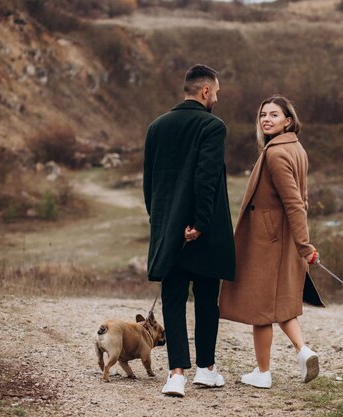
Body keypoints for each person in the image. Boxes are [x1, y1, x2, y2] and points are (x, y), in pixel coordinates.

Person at [142, 64, 235, 397]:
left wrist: (163, 222)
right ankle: (206, 370)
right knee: (207, 300)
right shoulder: (212, 126)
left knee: (174, 298)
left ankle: (176, 374)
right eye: (217, 93)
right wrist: (199, 223)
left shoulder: (156, 126)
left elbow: (149, 183)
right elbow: (206, 178)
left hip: (168, 229)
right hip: (203, 231)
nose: (217, 99)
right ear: (206, 91)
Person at [219, 95, 324, 389]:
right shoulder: (294, 147)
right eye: (263, 114)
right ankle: (304, 351)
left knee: (260, 308)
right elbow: (301, 199)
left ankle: (262, 373)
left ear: (288, 121)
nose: (266, 119)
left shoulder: (276, 154)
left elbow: (295, 203)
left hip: (269, 241)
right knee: (279, 305)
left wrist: (305, 246)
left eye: (274, 115)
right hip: (281, 238)